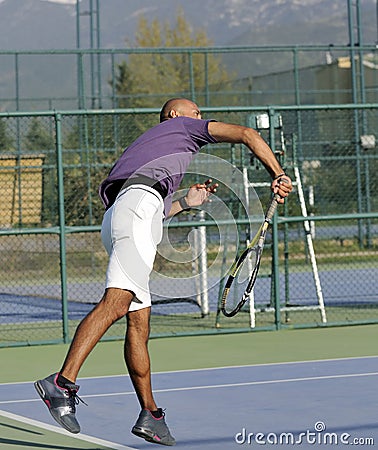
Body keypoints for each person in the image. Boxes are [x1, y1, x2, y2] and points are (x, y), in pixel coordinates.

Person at [34, 98, 292, 446]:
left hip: (125, 214)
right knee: (115, 302)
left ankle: (150, 415)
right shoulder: (182, 127)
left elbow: (149, 206)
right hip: (137, 210)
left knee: (139, 324)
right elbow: (246, 134)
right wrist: (278, 173)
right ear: (175, 115)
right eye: (196, 112)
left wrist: (185, 202)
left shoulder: (151, 146)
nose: (202, 118)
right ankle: (62, 383)